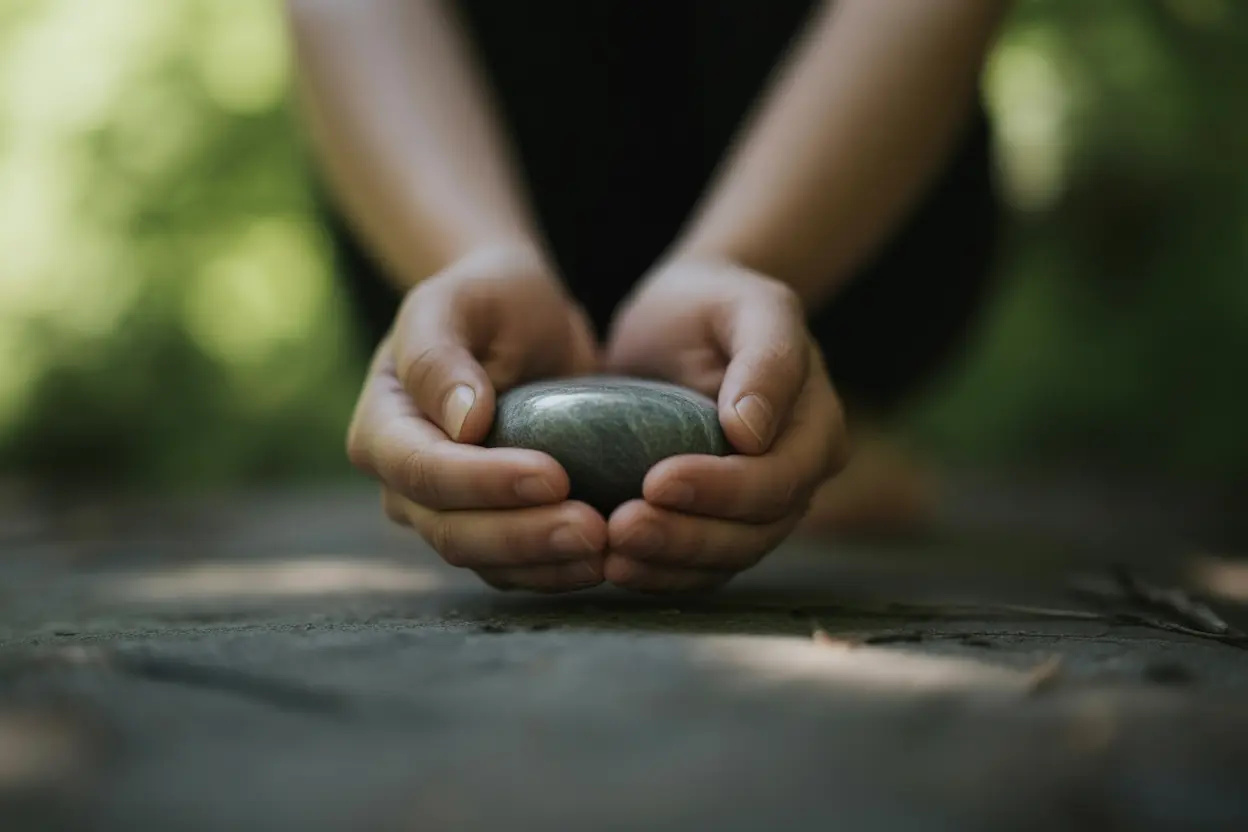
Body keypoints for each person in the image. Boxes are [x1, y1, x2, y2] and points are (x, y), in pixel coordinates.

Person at [284, 0, 1006, 594]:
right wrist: (471, 259)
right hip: (477, 198)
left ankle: (824, 379)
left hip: (842, 240)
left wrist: (744, 260)